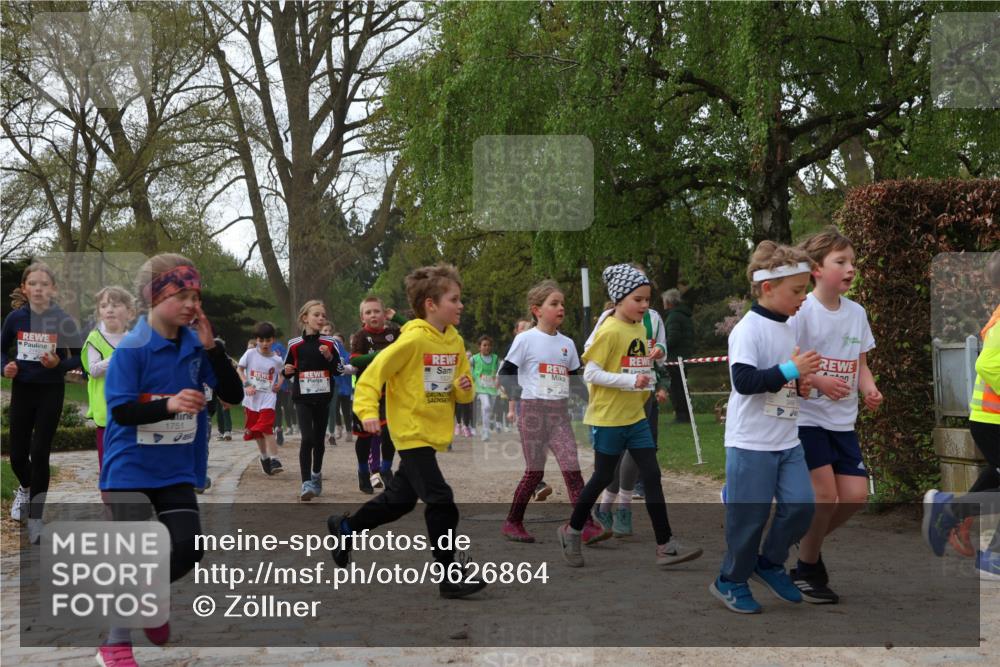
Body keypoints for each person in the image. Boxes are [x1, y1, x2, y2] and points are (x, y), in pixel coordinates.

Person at [98, 253, 243, 665]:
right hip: (129, 470)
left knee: (190, 547)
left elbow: (234, 395)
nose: (192, 304)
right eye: (181, 294)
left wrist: (213, 349)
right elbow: (121, 412)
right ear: (154, 296)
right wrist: (170, 405)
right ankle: (115, 642)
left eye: (195, 295)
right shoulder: (132, 348)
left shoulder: (198, 345)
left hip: (176, 470)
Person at [326, 264, 487, 599]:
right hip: (410, 431)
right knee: (441, 499)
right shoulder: (411, 339)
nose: (460, 306)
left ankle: (345, 528)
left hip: (433, 431)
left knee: (398, 501)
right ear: (431, 303)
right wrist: (367, 412)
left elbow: (464, 393)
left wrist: (464, 386)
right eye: (454, 299)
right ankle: (449, 576)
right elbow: (372, 377)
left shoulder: (455, 341)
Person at [557, 263, 702, 568]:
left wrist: (651, 370)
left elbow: (636, 366)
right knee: (601, 478)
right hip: (609, 419)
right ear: (620, 299)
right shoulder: (608, 330)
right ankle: (572, 530)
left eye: (648, 299)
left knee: (652, 475)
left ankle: (666, 545)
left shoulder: (639, 327)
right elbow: (591, 373)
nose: (645, 305)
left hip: (636, 417)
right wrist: (629, 382)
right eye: (638, 299)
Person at [709, 242, 821, 614]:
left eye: (805, 289)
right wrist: (791, 371)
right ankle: (731, 580)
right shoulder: (747, 329)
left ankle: (769, 564)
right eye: (797, 290)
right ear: (767, 288)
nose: (803, 298)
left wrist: (799, 382)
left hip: (787, 439)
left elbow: (779, 376)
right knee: (749, 519)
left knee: (802, 507)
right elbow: (743, 380)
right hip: (751, 443)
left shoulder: (788, 328)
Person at [788, 229, 882, 603]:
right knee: (825, 496)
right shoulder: (802, 312)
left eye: (853, 263)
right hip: (808, 418)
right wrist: (818, 380)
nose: (850, 269)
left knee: (855, 496)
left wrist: (869, 388)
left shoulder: (857, 313)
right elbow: (790, 367)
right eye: (840, 262)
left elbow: (861, 364)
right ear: (815, 269)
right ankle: (808, 570)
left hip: (844, 421)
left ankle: (797, 538)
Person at [499, 280, 606, 544]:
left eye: (562, 304)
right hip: (533, 411)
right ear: (537, 310)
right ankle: (513, 522)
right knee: (535, 472)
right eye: (554, 304)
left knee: (572, 468)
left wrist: (592, 403)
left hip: (559, 414)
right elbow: (506, 373)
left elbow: (575, 381)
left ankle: (586, 525)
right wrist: (517, 398)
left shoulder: (567, 344)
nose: (560, 308)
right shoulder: (525, 339)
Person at [923, 250, 1000, 580]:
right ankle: (990, 554)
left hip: (989, 419)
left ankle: (951, 508)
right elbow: (987, 364)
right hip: (992, 420)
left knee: (995, 476)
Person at [2, 262, 83, 542]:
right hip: (23, 390)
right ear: (24, 288)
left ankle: (36, 518)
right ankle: (25, 488)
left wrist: (60, 363)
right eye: (33, 284)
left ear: (53, 289)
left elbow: (81, 356)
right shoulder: (15, 319)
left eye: (44, 284)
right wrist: (5, 368)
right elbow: (0, 352)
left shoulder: (62, 319)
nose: (38, 289)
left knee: (40, 453)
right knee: (16, 456)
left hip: (50, 391)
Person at [283, 301, 343, 501]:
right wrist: (286, 371)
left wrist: (329, 358)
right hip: (302, 397)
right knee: (307, 438)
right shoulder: (294, 344)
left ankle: (316, 474)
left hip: (323, 398)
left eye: (323, 315)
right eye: (316, 315)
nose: (320, 319)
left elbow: (339, 370)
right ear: (305, 318)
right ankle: (306, 482)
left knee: (319, 440)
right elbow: (286, 369)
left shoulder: (330, 343)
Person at [350, 295, 406, 492]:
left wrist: (397, 317)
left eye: (377, 311)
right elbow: (354, 361)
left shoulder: (393, 333)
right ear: (362, 317)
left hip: (390, 392)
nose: (373, 315)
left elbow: (417, 331)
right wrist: (376, 356)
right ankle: (363, 471)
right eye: (368, 312)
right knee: (365, 437)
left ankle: (385, 469)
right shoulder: (360, 336)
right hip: (367, 394)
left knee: (389, 433)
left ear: (384, 314)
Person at [81, 286, 136, 473]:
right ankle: (110, 495)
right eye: (104, 306)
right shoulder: (95, 338)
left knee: (130, 461)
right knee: (108, 462)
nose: (109, 309)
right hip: (105, 412)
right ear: (99, 312)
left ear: (130, 312)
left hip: (132, 409)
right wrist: (117, 358)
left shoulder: (134, 339)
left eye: (115, 305)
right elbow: (94, 370)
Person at [505, 318, 552, 501]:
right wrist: (511, 407)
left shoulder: (539, 350)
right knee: (532, 444)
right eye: (522, 329)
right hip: (524, 402)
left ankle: (534, 481)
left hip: (545, 403)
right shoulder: (513, 353)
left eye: (529, 328)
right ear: (516, 333)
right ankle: (536, 483)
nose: (527, 332)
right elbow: (506, 381)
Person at [238, 321, 286, 476]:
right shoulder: (250, 354)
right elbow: (240, 369)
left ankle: (275, 459)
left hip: (268, 397)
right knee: (257, 433)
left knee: (266, 427)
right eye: (261, 340)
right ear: (256, 340)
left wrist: (279, 384)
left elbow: (282, 373)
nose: (264, 344)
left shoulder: (277, 359)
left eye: (268, 340)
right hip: (252, 399)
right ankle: (264, 457)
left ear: (273, 340)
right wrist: (247, 384)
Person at [663, 288, 695, 423]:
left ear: (669, 302)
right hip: (683, 355)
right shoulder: (684, 315)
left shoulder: (673, 316)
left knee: (676, 387)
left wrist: (661, 347)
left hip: (674, 358)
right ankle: (685, 414)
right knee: (682, 386)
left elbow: (673, 338)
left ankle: (681, 415)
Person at [471, 335, 500, 441]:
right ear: (479, 347)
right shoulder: (474, 358)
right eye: (484, 345)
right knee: (486, 406)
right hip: (481, 388)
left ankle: (485, 428)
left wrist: (498, 379)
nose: (487, 347)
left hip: (492, 388)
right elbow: (467, 369)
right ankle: (486, 432)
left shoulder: (495, 358)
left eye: (489, 345)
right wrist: (472, 378)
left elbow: (499, 371)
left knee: (488, 409)